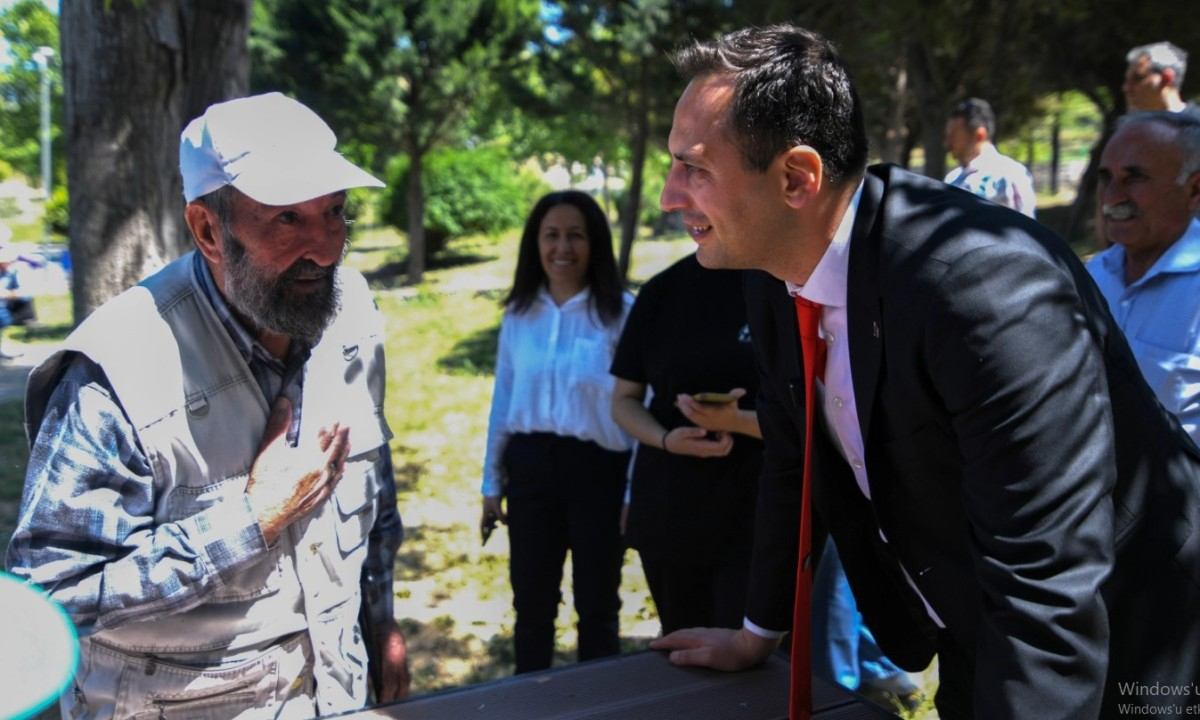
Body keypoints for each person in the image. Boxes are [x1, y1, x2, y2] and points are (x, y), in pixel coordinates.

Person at [648, 24, 1200, 719]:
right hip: (977, 626)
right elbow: (794, 457)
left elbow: (1046, 579)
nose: (669, 196)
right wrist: (758, 633)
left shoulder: (985, 288)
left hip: (1138, 636)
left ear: (796, 178)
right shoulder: (772, 271)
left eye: (694, 169)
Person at [5, 92, 410, 719]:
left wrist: (379, 617)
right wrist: (250, 522)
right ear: (208, 231)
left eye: (334, 212)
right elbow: (49, 595)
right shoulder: (117, 372)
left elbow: (372, 479)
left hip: (336, 696)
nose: (327, 249)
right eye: (287, 219)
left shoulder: (351, 309)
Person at [480, 190, 634, 674]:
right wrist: (491, 483)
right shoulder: (519, 314)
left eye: (575, 235)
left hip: (599, 473)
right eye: (551, 235)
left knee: (598, 606)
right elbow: (503, 400)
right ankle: (531, 701)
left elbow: (639, 406)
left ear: (595, 243)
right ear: (535, 243)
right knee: (532, 607)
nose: (562, 247)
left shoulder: (622, 313)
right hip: (530, 471)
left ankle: (600, 704)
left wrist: (633, 491)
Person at [609, 252, 762, 635]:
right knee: (682, 647)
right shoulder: (662, 290)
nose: (696, 222)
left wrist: (738, 421)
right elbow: (623, 401)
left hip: (757, 513)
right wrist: (665, 439)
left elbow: (814, 421)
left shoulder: (778, 282)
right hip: (670, 507)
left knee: (757, 660)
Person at [1087, 111, 1200, 441]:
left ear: (1195, 190)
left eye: (1134, 178)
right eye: (1106, 178)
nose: (1111, 197)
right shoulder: (1091, 276)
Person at [943, 97, 1037, 217]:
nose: (947, 143)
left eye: (953, 135)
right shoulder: (951, 179)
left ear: (980, 135)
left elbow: (1025, 226)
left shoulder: (1009, 175)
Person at [1123, 41, 1200, 117]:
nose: (1127, 88)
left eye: (1138, 78)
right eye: (1127, 81)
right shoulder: (1132, 124)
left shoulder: (1195, 122)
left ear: (1167, 78)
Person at [0, 243, 33, 360]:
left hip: (4, 307)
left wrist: (8, 294)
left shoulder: (13, 273)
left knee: (2, 316)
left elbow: (25, 293)